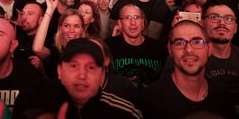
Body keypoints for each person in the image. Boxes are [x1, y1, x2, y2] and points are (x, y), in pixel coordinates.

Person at [13, 38, 143, 119]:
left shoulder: (125, 113)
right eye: (74, 66)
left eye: (91, 67)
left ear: (102, 74)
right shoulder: (34, 98)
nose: (82, 75)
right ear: (59, 71)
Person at [137, 20, 236, 118]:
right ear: (169, 50)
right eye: (179, 43)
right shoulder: (151, 99)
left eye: (197, 42)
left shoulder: (222, 95)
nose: (189, 50)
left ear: (209, 49)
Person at [202, 0, 239, 117]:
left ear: (235, 28)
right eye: (214, 17)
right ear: (202, 23)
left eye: (228, 18)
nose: (222, 23)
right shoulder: (188, 60)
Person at [105, 4, 167, 88]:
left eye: (136, 17)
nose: (133, 23)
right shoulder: (107, 47)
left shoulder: (158, 48)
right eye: (128, 18)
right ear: (120, 23)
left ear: (142, 23)